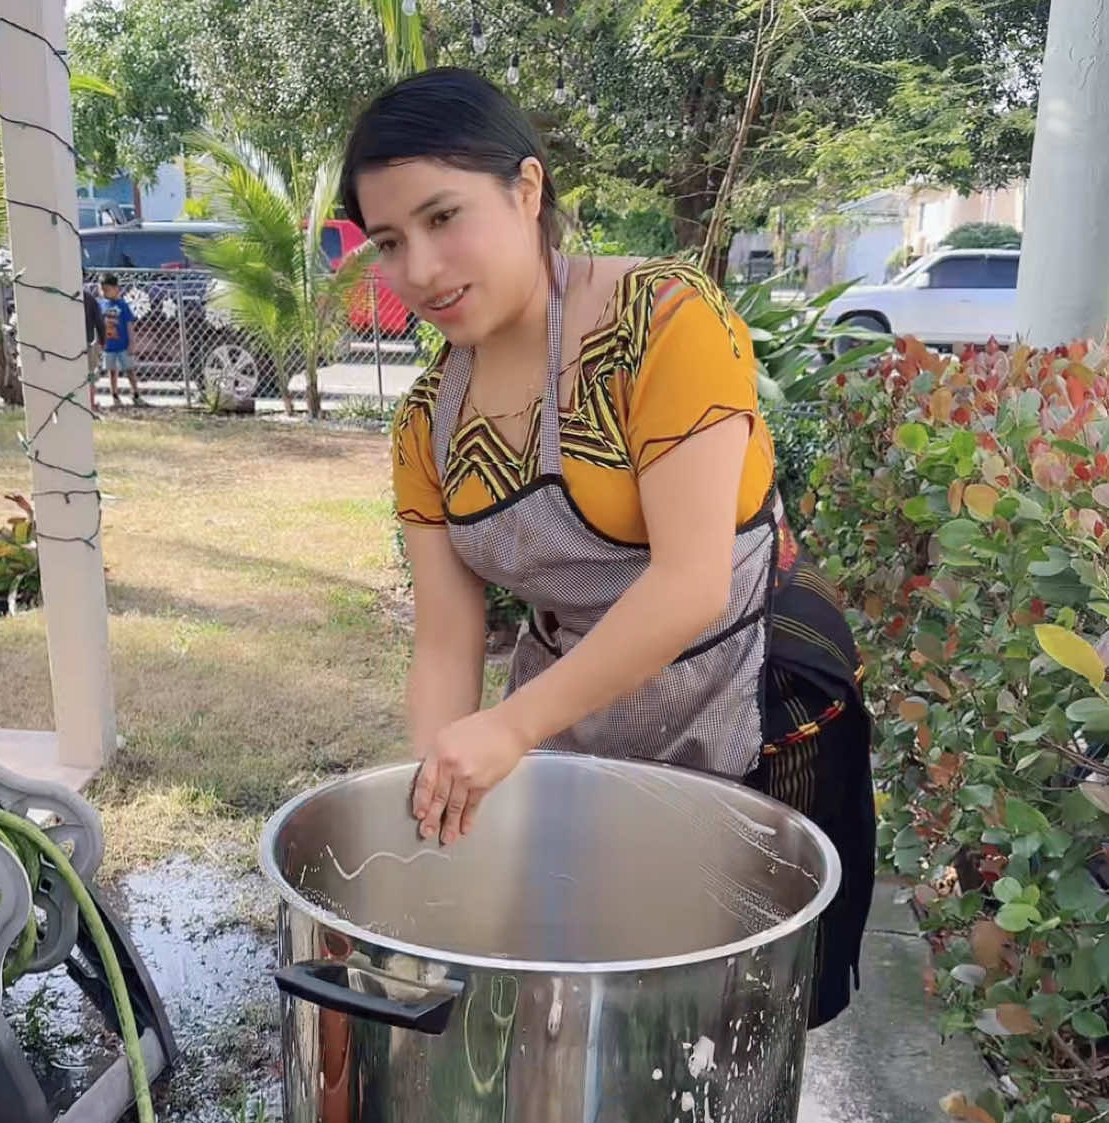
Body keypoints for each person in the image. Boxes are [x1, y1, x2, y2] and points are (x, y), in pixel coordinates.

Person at [340, 69, 874, 1028]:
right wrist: (436, 807)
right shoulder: (426, 423)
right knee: (578, 981)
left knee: (742, 1011)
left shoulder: (664, 323)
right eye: (389, 241)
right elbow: (446, 644)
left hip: (749, 690)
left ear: (527, 189)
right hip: (577, 712)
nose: (419, 269)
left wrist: (510, 729)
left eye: (443, 216)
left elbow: (689, 585)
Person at [99, 272, 142, 407]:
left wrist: (132, 343)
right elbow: (100, 324)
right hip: (109, 346)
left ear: (117, 289)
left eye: (108, 289)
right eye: (103, 290)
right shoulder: (101, 305)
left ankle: (135, 393)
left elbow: (129, 325)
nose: (105, 293)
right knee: (112, 371)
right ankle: (115, 395)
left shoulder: (123, 305)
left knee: (129, 369)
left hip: (123, 345)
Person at [83, 284, 105, 418]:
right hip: (87, 343)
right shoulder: (89, 298)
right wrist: (102, 341)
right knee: (89, 375)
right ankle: (90, 404)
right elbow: (100, 322)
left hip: (69, 343)